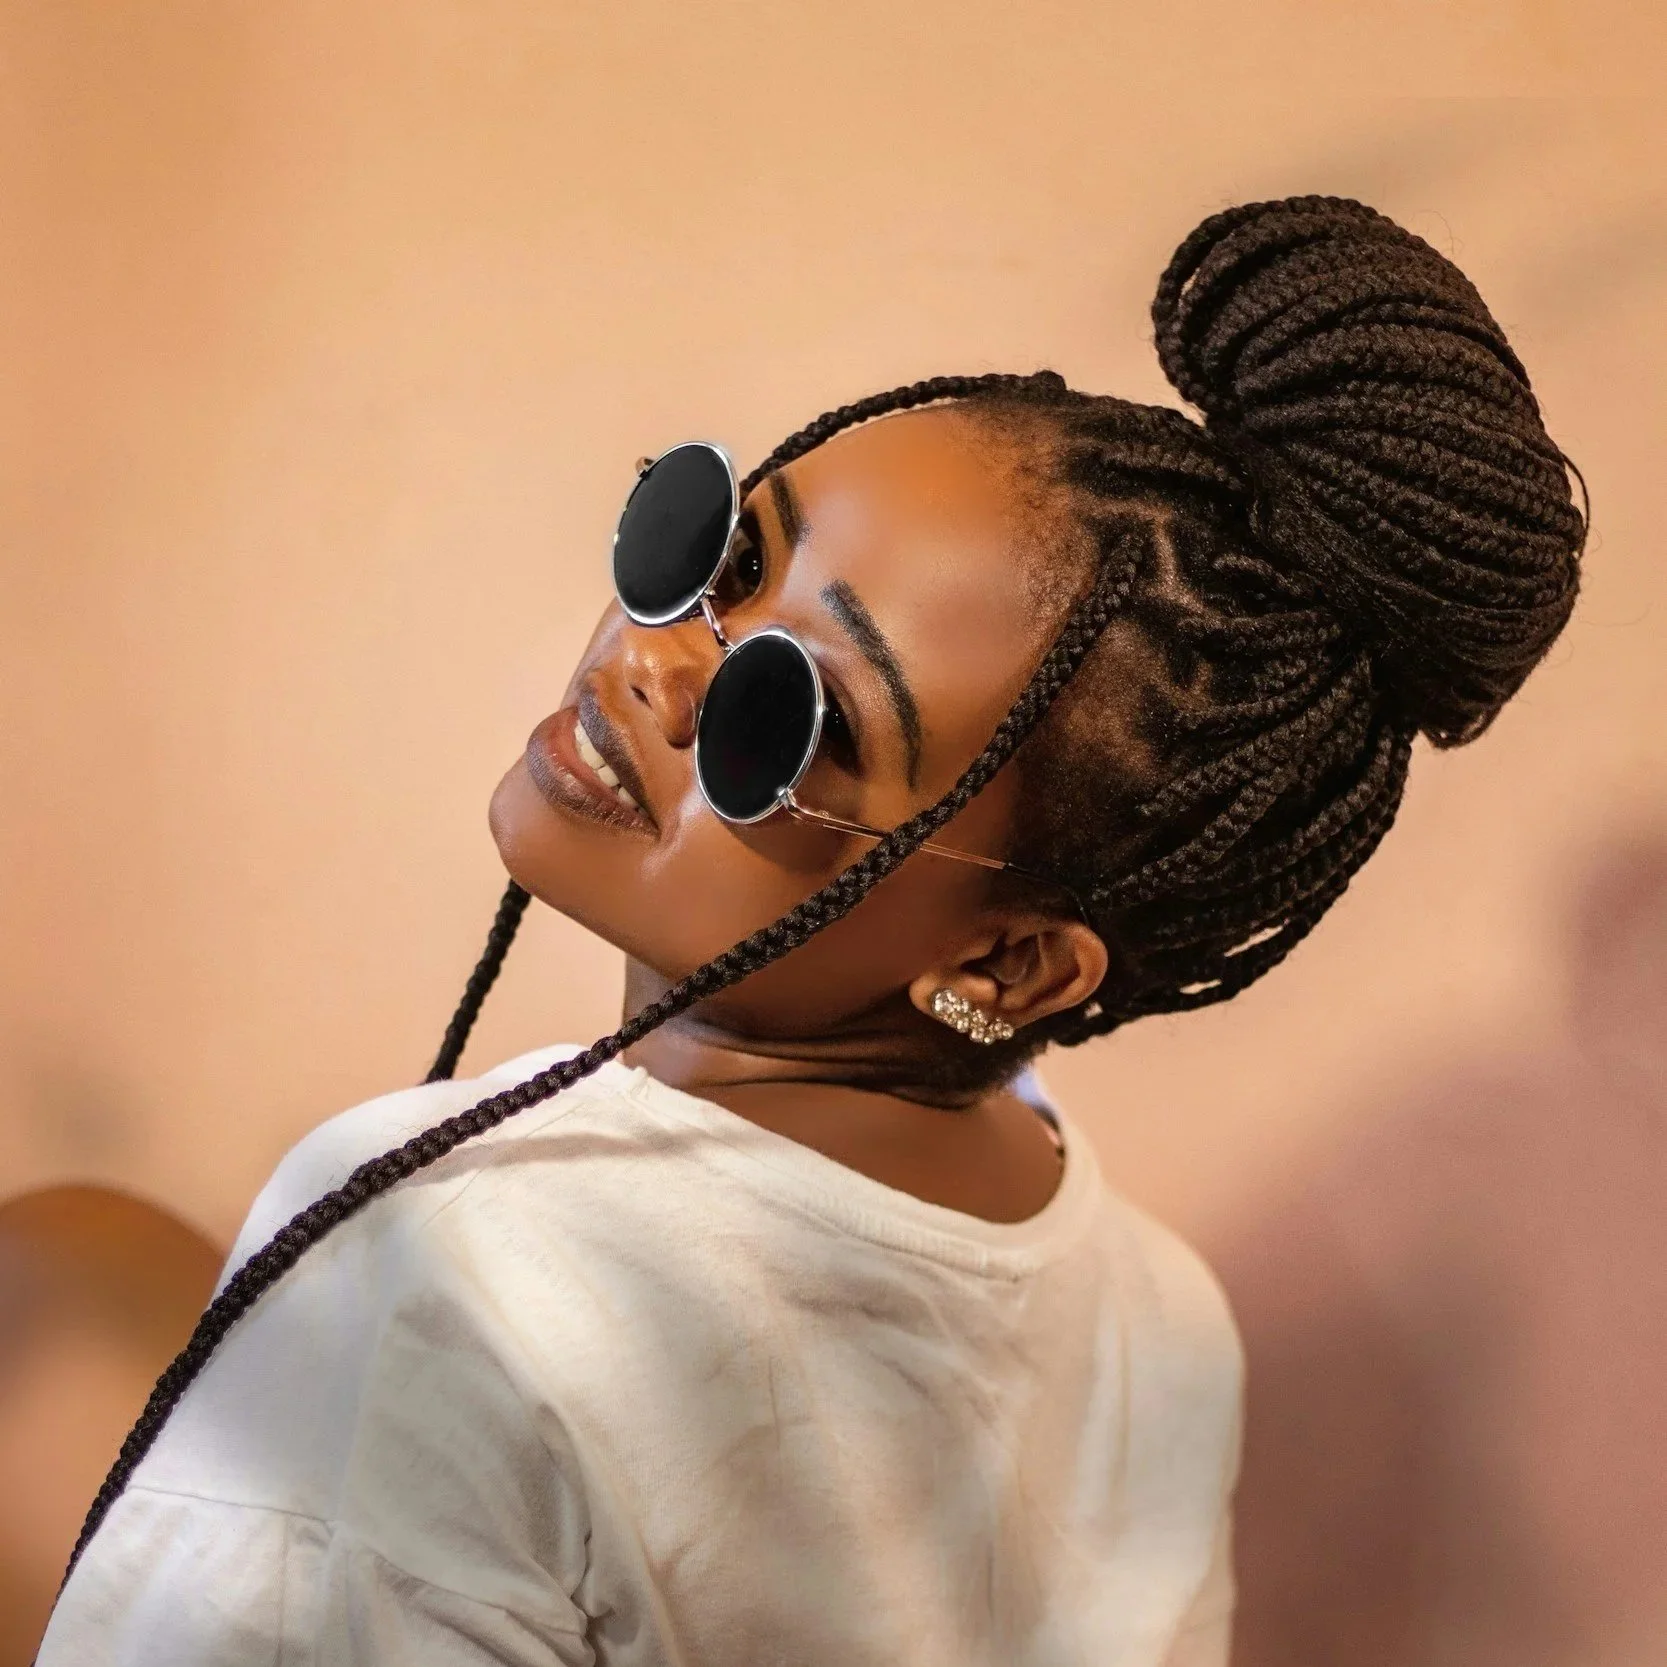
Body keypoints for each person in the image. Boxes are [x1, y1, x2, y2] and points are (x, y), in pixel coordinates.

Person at [35, 196, 1585, 1666]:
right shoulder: (1155, 1313)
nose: (659, 665)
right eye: (717, 552)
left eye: (785, 717)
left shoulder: (448, 1257)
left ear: (1002, 963)